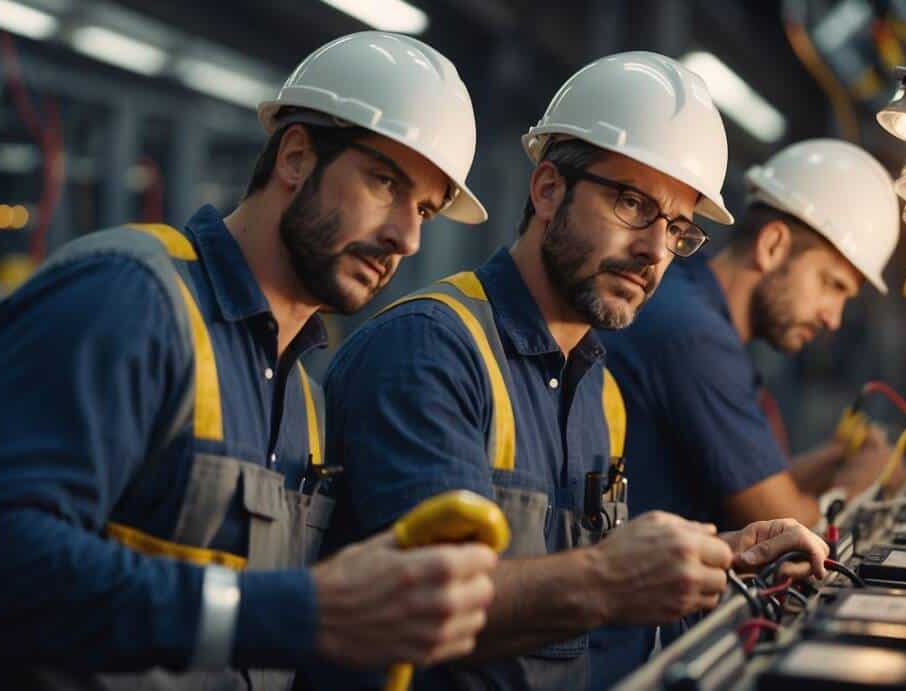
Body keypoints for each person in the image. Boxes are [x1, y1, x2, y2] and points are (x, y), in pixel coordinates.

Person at [0, 31, 499, 690]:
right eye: (384, 181)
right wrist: (300, 609)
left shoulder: (304, 397)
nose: (407, 236)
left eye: (424, 209)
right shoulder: (127, 300)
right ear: (297, 157)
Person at [309, 52, 830, 691]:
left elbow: (571, 572)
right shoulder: (431, 350)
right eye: (634, 204)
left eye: (677, 229)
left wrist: (725, 554)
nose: (653, 251)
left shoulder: (597, 388)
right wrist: (614, 578)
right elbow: (432, 602)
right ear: (549, 189)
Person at [588, 139, 900, 686]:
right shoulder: (695, 336)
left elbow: (755, 487)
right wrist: (863, 479)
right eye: (832, 285)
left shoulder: (698, 310)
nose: (833, 318)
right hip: (614, 655)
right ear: (774, 244)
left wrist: (830, 459)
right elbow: (795, 525)